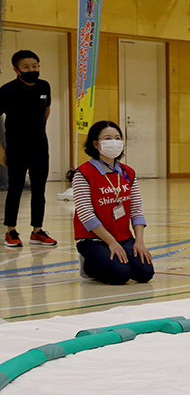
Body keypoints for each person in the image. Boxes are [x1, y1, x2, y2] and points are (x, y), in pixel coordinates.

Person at [72, 120, 154, 285]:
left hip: (123, 236)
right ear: (96, 144)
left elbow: (136, 209)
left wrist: (139, 241)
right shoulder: (83, 173)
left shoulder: (128, 172)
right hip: (93, 239)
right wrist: (111, 242)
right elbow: (85, 214)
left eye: (117, 138)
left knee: (145, 273)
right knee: (120, 275)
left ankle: (117, 258)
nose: (114, 142)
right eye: (108, 138)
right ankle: (90, 264)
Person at [0, 50, 57, 247]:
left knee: (39, 189)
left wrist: (40, 128)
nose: (32, 70)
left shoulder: (44, 86)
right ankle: (11, 231)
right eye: (26, 67)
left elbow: (46, 108)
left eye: (35, 66)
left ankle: (37, 231)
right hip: (16, 148)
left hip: (40, 146)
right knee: (15, 189)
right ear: (16, 70)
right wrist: (1, 151)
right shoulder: (7, 90)